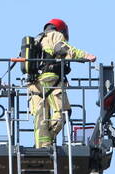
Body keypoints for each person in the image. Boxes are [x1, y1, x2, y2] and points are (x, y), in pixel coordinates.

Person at [28, 18, 97, 149]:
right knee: (64, 112)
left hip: (34, 85)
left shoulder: (37, 40)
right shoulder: (55, 35)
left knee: (40, 117)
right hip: (50, 80)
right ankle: (48, 141)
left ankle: (42, 146)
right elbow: (62, 48)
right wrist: (85, 55)